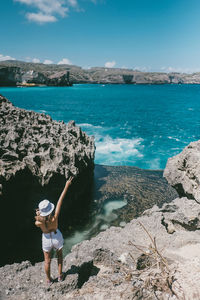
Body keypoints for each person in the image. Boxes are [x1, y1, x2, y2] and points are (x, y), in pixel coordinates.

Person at [35, 176, 73, 285]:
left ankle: (49, 280)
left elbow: (36, 222)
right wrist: (66, 186)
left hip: (46, 239)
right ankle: (60, 276)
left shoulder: (40, 222)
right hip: (56, 236)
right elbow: (60, 199)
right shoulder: (55, 217)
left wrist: (38, 216)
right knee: (59, 256)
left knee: (47, 261)